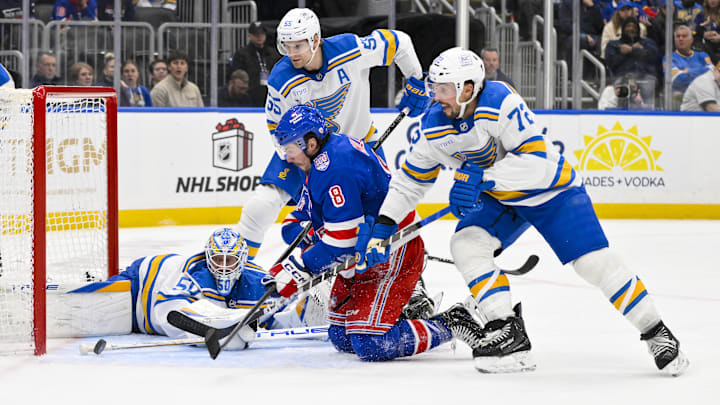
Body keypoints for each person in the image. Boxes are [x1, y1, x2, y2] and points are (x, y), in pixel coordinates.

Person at [358, 47, 689, 375]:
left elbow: (538, 166)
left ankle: (657, 331)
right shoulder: (434, 125)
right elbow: (408, 183)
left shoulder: (500, 102)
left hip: (551, 192)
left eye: (443, 89)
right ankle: (508, 331)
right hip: (502, 199)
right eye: (434, 88)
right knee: (466, 244)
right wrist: (384, 228)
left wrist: (482, 177)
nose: (436, 96)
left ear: (467, 89)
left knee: (594, 264)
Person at [266, 105, 485, 362]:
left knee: (370, 343)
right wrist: (303, 237)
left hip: (391, 249)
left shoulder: (334, 169)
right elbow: (305, 216)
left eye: (289, 149)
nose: (286, 157)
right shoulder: (324, 156)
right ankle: (400, 313)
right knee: (342, 336)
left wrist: (300, 265)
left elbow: (342, 242)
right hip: (363, 254)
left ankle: (453, 322)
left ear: (310, 143)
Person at [235, 7, 430, 262]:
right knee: (260, 206)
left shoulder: (350, 49)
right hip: (307, 151)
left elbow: (399, 42)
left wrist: (415, 80)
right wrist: (308, 171)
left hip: (360, 145)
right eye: (287, 46)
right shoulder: (281, 78)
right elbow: (275, 128)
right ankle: (234, 268)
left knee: (389, 214)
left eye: (298, 46)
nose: (292, 53)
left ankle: (411, 282)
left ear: (315, 40)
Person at [79, 227, 328, 349]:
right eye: (217, 260)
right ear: (208, 258)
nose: (222, 267)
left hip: (154, 300)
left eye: (229, 261)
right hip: (142, 285)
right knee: (88, 305)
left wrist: (302, 317)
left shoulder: (256, 282)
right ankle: (87, 284)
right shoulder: (193, 277)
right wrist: (216, 336)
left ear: (242, 262)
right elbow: (171, 317)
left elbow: (270, 320)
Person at [229, 21, 281, 106]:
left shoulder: (273, 54)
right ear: (250, 36)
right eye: (256, 34)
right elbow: (237, 75)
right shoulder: (241, 54)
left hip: (271, 94)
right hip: (249, 96)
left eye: (262, 34)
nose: (259, 37)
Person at [663, 25, 714, 100]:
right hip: (681, 98)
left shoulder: (703, 55)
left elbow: (712, 73)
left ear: (691, 40)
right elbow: (677, 79)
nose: (680, 38)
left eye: (684, 36)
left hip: (704, 95)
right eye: (678, 36)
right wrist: (702, 71)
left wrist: (688, 71)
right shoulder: (668, 58)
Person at [695, 0, 720, 64]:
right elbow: (695, 32)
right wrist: (704, 34)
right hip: (707, 48)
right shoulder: (701, 15)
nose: (713, 1)